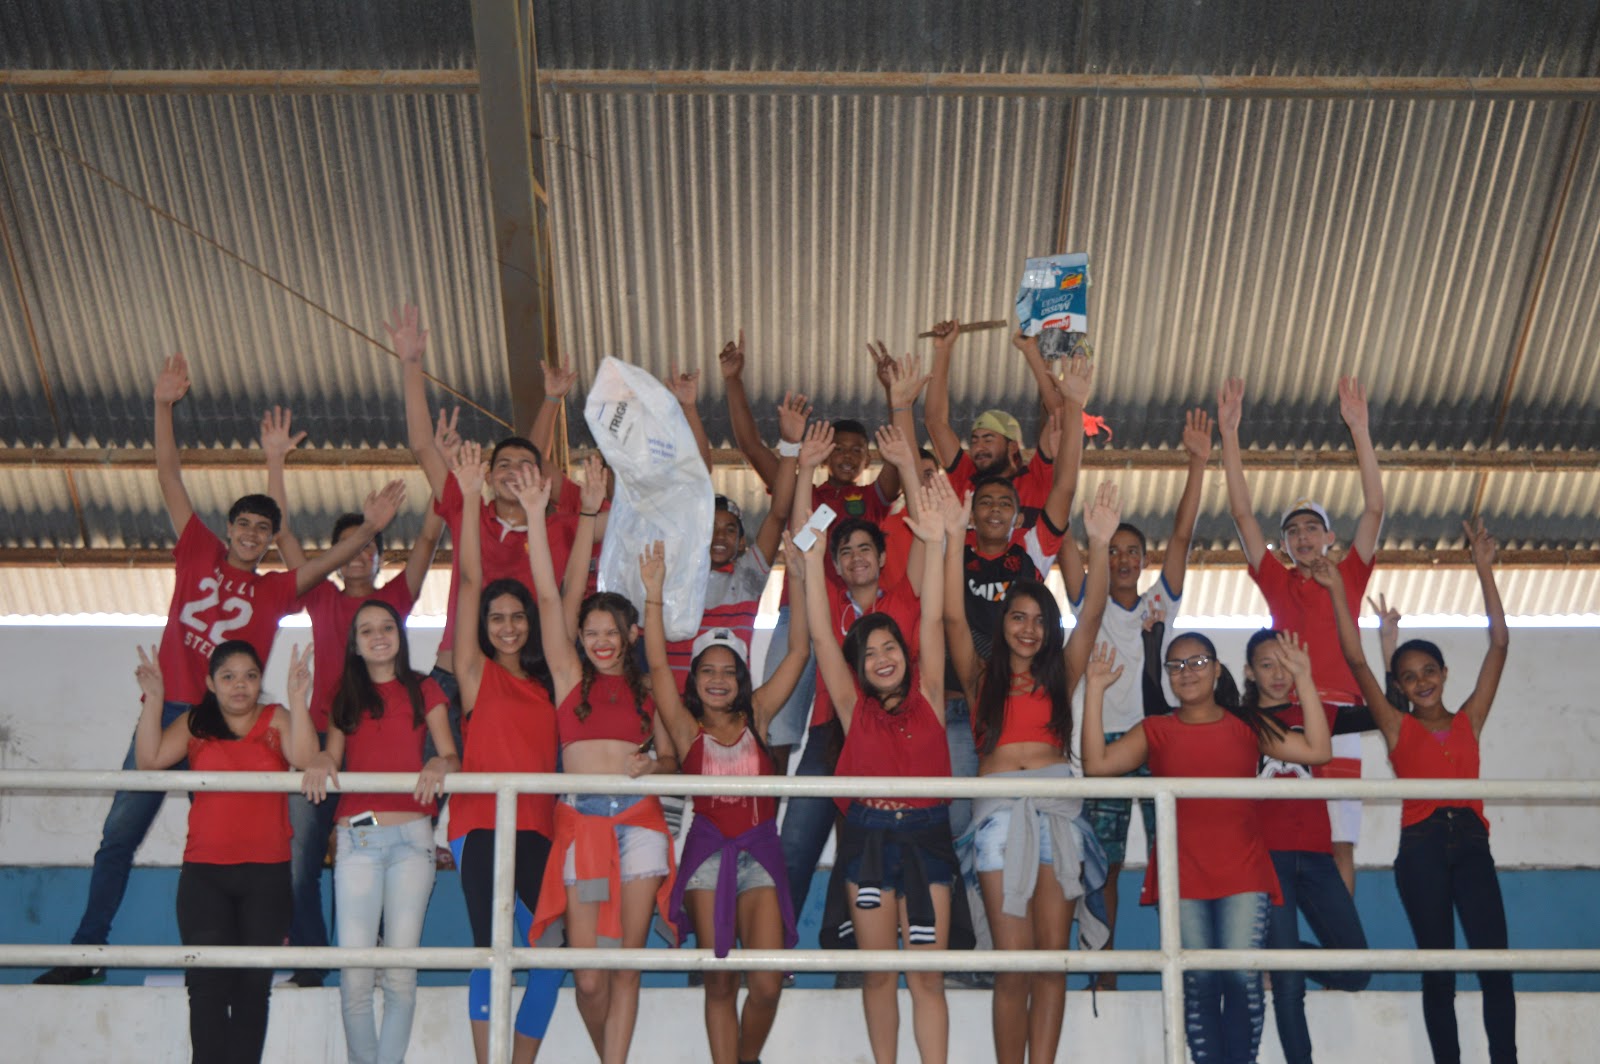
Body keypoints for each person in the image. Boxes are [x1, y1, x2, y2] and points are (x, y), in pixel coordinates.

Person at [36, 353, 403, 987]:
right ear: (229, 527)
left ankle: (298, 958)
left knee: (271, 839)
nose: (253, 534)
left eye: (264, 528)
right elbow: (169, 476)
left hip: (234, 725)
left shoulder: (275, 590)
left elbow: (323, 564)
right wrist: (162, 406)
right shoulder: (198, 550)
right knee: (118, 835)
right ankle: (86, 949)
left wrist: (368, 528)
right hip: (172, 716)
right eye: (245, 524)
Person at [1316, 521, 1516, 1064]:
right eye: (1408, 676)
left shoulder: (1469, 720)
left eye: (1429, 671)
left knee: (1496, 965)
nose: (1421, 681)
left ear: (1444, 673)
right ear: (1400, 687)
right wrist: (1337, 594)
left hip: (1472, 844)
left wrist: (1484, 569)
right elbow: (1356, 661)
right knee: (1438, 970)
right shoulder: (1397, 726)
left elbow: (1500, 644)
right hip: (1421, 848)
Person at [262, 405, 446, 989]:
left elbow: (430, 535)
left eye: (368, 546)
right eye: (348, 546)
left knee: (380, 854)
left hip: (379, 748)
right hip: (322, 744)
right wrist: (274, 461)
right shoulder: (320, 595)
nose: (359, 554)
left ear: (380, 556)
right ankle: (313, 961)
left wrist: (440, 466)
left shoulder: (394, 599)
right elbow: (283, 534)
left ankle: (382, 960)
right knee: (300, 857)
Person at [1084, 631, 1331, 1064]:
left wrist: (1305, 679)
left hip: (1245, 873)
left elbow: (1317, 750)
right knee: (1198, 982)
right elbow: (1096, 765)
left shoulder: (1248, 725)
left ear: (1217, 669)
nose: (1186, 673)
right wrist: (1094, 692)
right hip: (1181, 875)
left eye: (1197, 662)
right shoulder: (1155, 729)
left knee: (1240, 979)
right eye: (1175, 666)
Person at [946, 480, 1121, 1064]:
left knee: (1051, 961)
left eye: (1039, 619)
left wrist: (1100, 544)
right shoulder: (979, 675)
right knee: (1013, 964)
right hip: (997, 816)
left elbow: (1092, 613)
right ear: (1002, 624)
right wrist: (952, 540)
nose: (1028, 628)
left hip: (1058, 813)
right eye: (1017, 617)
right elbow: (951, 616)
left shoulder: (1061, 674)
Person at [518, 462, 677, 1064]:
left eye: (611, 631)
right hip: (581, 827)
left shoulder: (649, 689)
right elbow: (547, 596)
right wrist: (538, 516)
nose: (600, 641)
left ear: (630, 635)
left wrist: (653, 769)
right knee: (588, 978)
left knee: (626, 967)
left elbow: (673, 760)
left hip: (639, 824)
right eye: (590, 632)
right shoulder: (566, 677)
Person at [799, 475, 953, 1064]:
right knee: (879, 975)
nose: (882, 658)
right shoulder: (852, 708)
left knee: (928, 977)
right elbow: (820, 636)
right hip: (866, 842)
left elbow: (932, 622)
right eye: (869, 653)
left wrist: (935, 544)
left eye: (890, 648)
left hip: (927, 840)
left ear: (906, 657)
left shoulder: (931, 696)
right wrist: (812, 562)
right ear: (858, 667)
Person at [642, 537, 811, 1064]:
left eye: (728, 670)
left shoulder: (758, 713)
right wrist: (653, 594)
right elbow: (655, 662)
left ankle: (746, 1057)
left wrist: (798, 578)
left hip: (760, 850)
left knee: (766, 983)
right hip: (708, 854)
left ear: (742, 677)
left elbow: (799, 652)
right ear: (694, 679)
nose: (718, 680)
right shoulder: (684, 727)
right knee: (718, 983)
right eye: (707, 671)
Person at [1061, 407, 1212, 983]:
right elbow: (1059, 534)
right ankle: (1104, 970)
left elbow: (1183, 534)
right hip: (1099, 746)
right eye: (1114, 550)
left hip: (1155, 741)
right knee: (1102, 863)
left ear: (1144, 563)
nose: (1123, 559)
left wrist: (1197, 461)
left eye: (1132, 553)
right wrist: (1062, 440)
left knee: (1172, 856)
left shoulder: (1159, 603)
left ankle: (1184, 965)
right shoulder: (1088, 600)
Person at [1219, 376, 1384, 895]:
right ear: (1285, 545)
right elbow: (1242, 514)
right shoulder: (1277, 580)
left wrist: (1360, 429)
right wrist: (1230, 434)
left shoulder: (1350, 574)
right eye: (1293, 531)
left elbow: (1374, 509)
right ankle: (1280, 941)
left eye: (1312, 528)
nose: (1303, 536)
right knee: (1282, 835)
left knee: (1340, 841)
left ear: (1329, 537)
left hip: (1344, 717)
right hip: (1289, 717)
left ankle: (1339, 943)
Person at [444, 443, 574, 1064]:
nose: (507, 626)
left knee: (550, 955)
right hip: (480, 825)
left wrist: (537, 517)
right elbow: (470, 581)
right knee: (490, 950)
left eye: (515, 617)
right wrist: (471, 499)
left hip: (538, 827)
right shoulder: (474, 675)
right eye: (496, 618)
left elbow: (552, 600)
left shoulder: (551, 683)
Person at [132, 641, 317, 1063]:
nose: (240, 685)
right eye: (228, 676)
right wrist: (155, 699)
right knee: (206, 987)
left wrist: (297, 698)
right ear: (211, 683)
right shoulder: (196, 722)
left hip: (267, 877)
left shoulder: (276, 718)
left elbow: (307, 759)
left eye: (250, 676)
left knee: (253, 989)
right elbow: (149, 759)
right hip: (205, 876)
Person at [779, 418, 928, 929]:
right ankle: (771, 955)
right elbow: (805, 539)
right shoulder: (828, 600)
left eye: (865, 548)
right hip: (830, 736)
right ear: (836, 564)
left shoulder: (902, 602)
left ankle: (850, 950)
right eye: (845, 552)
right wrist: (804, 470)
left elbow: (926, 535)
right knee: (794, 848)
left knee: (868, 854)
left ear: (883, 557)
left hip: (892, 738)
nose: (856, 558)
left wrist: (906, 465)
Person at [298, 599, 457, 1064]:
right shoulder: (344, 693)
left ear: (400, 635)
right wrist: (322, 757)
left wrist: (439, 762)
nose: (378, 636)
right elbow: (330, 757)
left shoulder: (425, 688)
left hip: (413, 840)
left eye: (387, 627)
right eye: (366, 630)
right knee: (356, 975)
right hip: (358, 839)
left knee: (400, 974)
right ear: (355, 643)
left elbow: (452, 756)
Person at [1244, 628, 1371, 1064]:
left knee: (1356, 971)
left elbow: (1386, 710)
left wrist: (1386, 649)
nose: (1278, 674)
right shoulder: (1239, 721)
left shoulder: (1314, 712)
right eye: (1267, 665)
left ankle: (1273, 954)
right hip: (1268, 856)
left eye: (1286, 664)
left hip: (1317, 855)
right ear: (1249, 672)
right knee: (1289, 985)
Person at [922, 321, 1062, 512]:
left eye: (988, 440)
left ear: (1012, 446)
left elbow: (1059, 413)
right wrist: (943, 349)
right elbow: (935, 422)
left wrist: (1030, 350)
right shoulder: (966, 479)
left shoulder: (1035, 480)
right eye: (974, 440)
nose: (978, 448)